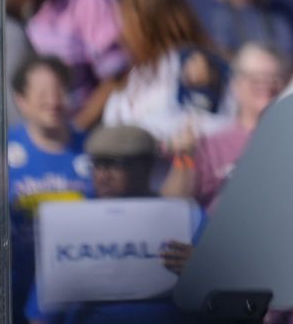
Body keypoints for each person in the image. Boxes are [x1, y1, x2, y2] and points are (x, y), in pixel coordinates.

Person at [23, 124, 198, 324]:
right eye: (96, 165)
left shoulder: (187, 219)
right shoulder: (70, 225)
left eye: (113, 164)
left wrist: (202, 269)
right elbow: (41, 317)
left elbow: (222, 299)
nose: (102, 175)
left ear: (146, 166)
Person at [5, 0, 127, 130]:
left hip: (93, 126)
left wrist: (78, 128)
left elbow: (116, 78)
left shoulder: (88, 1)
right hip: (51, 129)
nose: (18, 9)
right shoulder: (35, 17)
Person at [7, 55, 91, 321]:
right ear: (21, 100)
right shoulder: (1, 152)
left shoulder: (91, 150)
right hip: (16, 286)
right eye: (42, 93)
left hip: (77, 292)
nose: (53, 101)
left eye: (60, 91)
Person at [102, 0, 229, 144]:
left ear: (148, 22)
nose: (119, 33)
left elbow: (206, 132)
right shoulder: (134, 75)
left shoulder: (193, 63)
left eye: (125, 21)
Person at [162, 40, 290, 208]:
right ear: (236, 84)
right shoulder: (210, 145)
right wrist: (184, 158)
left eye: (274, 78)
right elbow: (171, 206)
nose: (266, 85)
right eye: (255, 79)